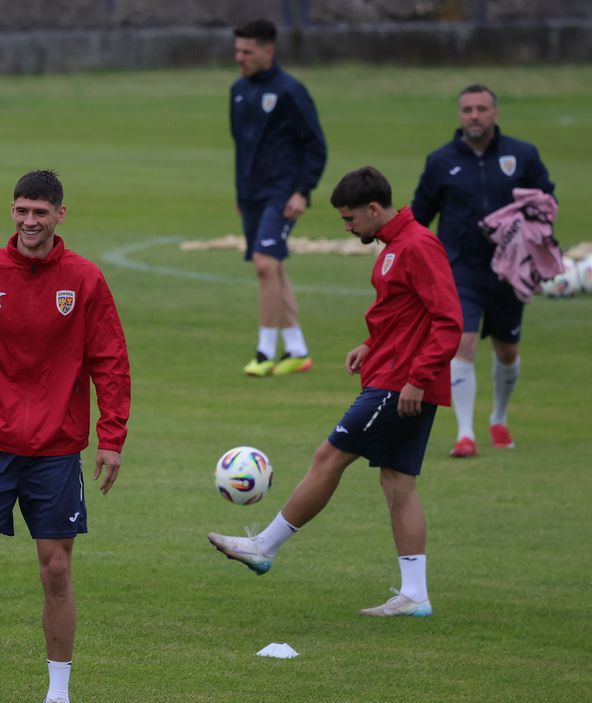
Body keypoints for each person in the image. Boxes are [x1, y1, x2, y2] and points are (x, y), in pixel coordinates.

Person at [208, 167, 462, 617]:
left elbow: (448, 320)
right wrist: (370, 344)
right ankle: (415, 595)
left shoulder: (418, 246)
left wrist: (418, 379)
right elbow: (403, 313)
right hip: (393, 373)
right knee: (398, 482)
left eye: (350, 220)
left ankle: (263, 547)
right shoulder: (393, 248)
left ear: (373, 209)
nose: (347, 228)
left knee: (329, 457)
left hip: (400, 383)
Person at [0, 170, 131, 703]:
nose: (29, 221)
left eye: (40, 212)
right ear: (11, 212)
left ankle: (57, 695)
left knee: (56, 572)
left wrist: (111, 437)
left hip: (55, 450)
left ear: (60, 215)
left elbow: (110, 361)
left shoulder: (85, 281)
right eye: (21, 211)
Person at [411, 84, 556, 457]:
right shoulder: (440, 160)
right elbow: (420, 214)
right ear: (459, 115)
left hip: (509, 273)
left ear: (495, 113)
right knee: (463, 343)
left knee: (507, 350)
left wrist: (537, 235)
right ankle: (465, 434)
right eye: (467, 109)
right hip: (460, 270)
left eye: (481, 108)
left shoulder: (522, 155)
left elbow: (546, 202)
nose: (474, 115)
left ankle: (499, 418)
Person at [229, 19, 328, 377]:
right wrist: (242, 194)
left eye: (247, 51)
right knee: (275, 268)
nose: (239, 57)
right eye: (237, 50)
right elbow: (242, 148)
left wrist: (303, 191)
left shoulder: (290, 91)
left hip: (283, 193)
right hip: (253, 196)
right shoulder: (238, 91)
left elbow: (316, 145)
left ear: (268, 51)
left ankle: (265, 351)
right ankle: (298, 349)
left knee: (264, 265)